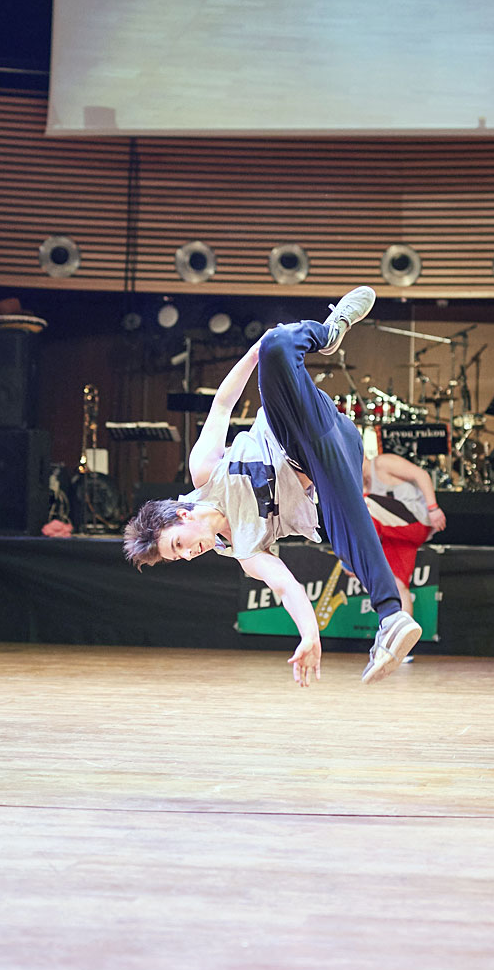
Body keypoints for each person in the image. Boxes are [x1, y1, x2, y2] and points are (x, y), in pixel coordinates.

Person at [122, 286, 420, 687]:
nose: (190, 555)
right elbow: (286, 586)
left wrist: (253, 354)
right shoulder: (244, 550)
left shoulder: (204, 472)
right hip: (331, 467)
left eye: (179, 545)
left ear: (181, 515)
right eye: (180, 558)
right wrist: (310, 635)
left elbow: (222, 405)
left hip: (298, 430)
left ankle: (329, 332)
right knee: (345, 531)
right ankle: (391, 617)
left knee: (276, 343)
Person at [362, 451, 447, 615]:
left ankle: (360, 560)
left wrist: (433, 508)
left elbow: (421, 475)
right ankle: (404, 629)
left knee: (363, 504)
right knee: (397, 584)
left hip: (416, 520)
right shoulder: (365, 485)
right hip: (397, 534)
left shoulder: (381, 463)